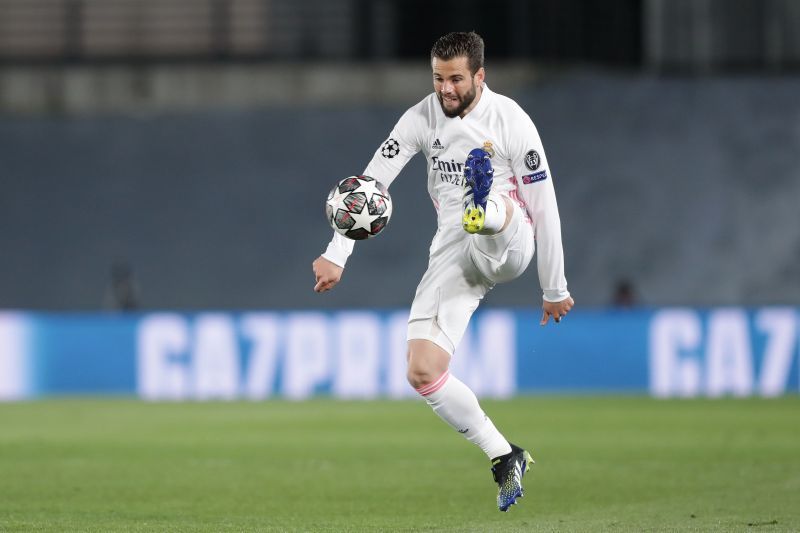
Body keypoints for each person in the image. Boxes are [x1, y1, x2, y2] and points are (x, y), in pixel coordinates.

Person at [312, 31, 573, 512]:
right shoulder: (420, 118)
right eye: (438, 78)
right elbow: (370, 187)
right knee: (422, 370)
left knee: (491, 211)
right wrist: (337, 253)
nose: (446, 88)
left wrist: (553, 286)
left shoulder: (510, 119)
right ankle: (504, 455)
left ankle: (483, 206)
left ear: (479, 75)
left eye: (456, 79)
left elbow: (545, 204)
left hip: (512, 235)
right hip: (454, 249)